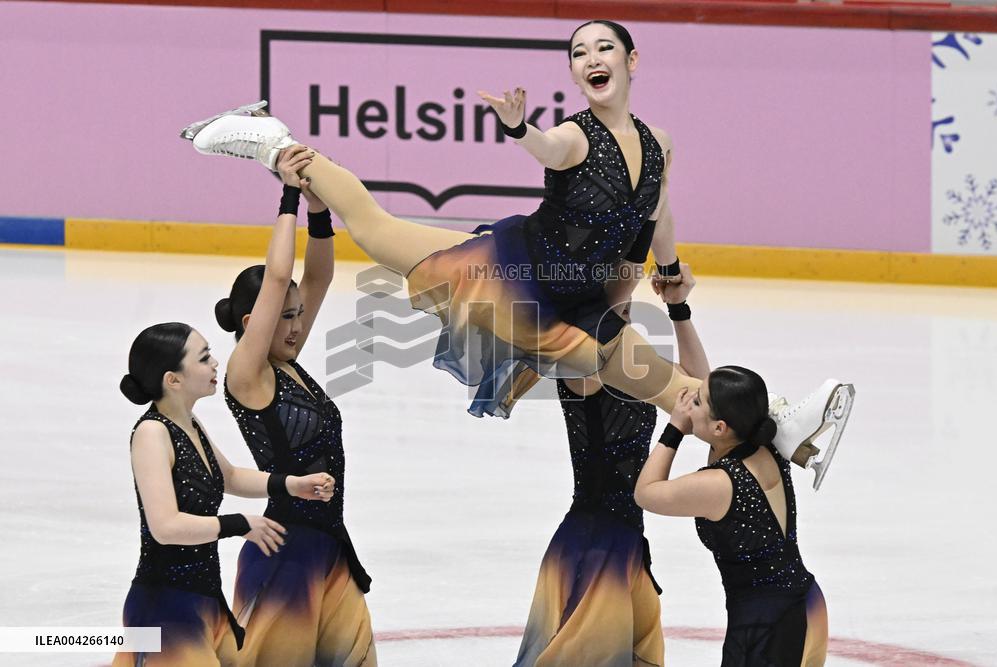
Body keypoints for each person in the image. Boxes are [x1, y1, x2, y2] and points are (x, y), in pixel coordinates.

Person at [179, 21, 852, 481]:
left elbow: (658, 211)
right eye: (579, 53)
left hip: (580, 302)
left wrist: (668, 273)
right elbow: (549, 149)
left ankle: (780, 433)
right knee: (377, 230)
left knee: (672, 389)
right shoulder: (573, 135)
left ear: (631, 61)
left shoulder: (661, 143)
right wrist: (519, 127)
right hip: (520, 282)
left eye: (604, 49)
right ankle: (268, 141)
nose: (591, 59)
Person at [217, 147, 376, 666]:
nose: (296, 326)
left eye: (299, 316)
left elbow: (319, 277)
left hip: (330, 547)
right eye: (284, 317)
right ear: (252, 324)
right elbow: (282, 273)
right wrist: (285, 193)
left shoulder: (288, 364)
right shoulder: (249, 375)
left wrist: (317, 209)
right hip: (283, 555)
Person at [515, 266, 709, 667]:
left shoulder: (638, 368)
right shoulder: (583, 366)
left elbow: (703, 394)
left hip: (625, 542)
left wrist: (678, 308)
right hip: (593, 543)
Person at [114, 322, 334, 666]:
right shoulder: (151, 434)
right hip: (164, 608)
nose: (215, 363)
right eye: (203, 359)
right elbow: (165, 526)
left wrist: (291, 484)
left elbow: (228, 476)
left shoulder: (189, 423)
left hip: (204, 601)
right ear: (173, 379)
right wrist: (239, 524)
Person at [634, 334, 833, 664]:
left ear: (720, 428)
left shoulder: (718, 484)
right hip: (803, 605)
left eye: (696, 403)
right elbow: (704, 381)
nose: (687, 404)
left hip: (769, 626)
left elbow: (646, 493)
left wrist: (674, 430)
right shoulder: (763, 444)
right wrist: (679, 309)